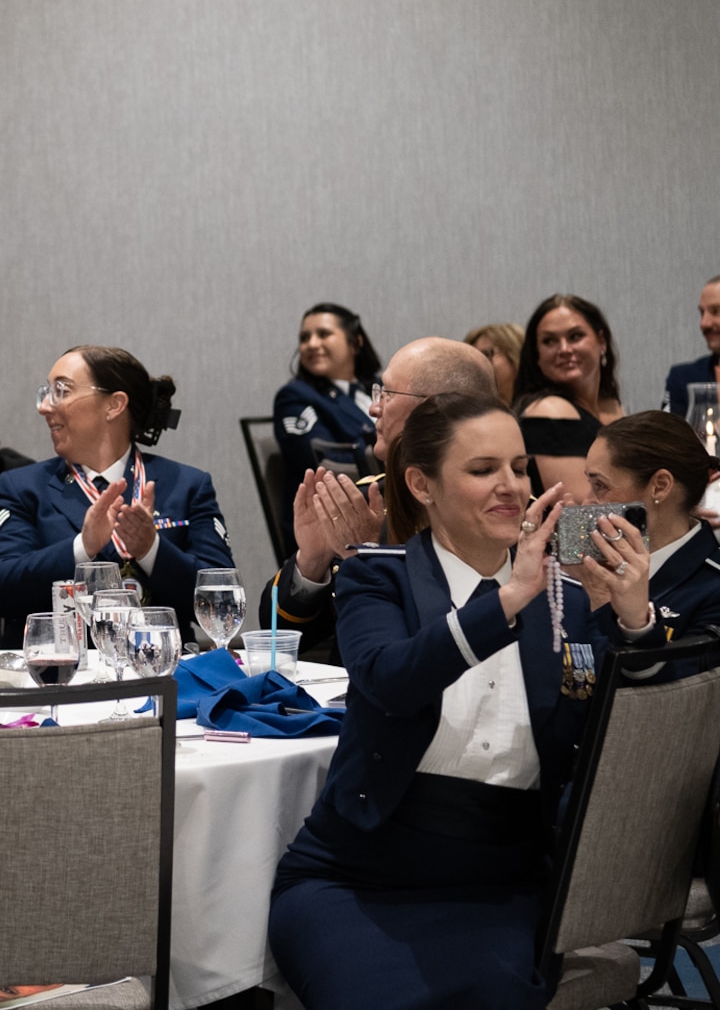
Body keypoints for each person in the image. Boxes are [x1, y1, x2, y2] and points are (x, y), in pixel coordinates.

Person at [267, 392, 660, 1010]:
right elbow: (390, 679)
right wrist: (505, 600)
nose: (511, 487)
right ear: (421, 484)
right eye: (482, 470)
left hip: (501, 884)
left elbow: (626, 749)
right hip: (356, 878)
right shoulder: (378, 575)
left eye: (520, 467)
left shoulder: (569, 601)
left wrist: (635, 622)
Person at [262, 338, 498, 662]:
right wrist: (312, 562)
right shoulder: (363, 499)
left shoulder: (508, 516)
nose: (374, 408)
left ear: (437, 407)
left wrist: (373, 558)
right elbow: (277, 637)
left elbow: (456, 641)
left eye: (387, 394)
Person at [0, 346, 234, 640]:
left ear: (114, 405)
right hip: (58, 675)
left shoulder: (187, 485)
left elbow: (222, 605)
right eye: (46, 392)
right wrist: (81, 547)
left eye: (61, 390)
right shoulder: (23, 486)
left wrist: (152, 550)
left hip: (160, 673)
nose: (45, 406)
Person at [582, 412, 720, 672]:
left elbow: (673, 702)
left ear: (660, 486)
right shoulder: (583, 569)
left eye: (600, 485)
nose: (586, 500)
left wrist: (602, 599)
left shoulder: (713, 587)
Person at [272, 303, 382, 531]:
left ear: (356, 342)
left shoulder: (378, 387)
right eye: (305, 337)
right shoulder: (296, 397)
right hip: (333, 526)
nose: (312, 344)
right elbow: (327, 465)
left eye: (324, 334)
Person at [514, 294, 625, 496]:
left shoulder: (612, 406)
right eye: (549, 341)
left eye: (575, 336)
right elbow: (582, 508)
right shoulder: (550, 410)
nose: (564, 349)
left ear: (602, 341)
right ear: (536, 355)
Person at [664, 275, 720, 416]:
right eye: (702, 312)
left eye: (715, 311)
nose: (704, 323)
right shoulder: (683, 378)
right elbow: (666, 436)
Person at [464, 322, 524, 408]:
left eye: (487, 354)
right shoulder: (467, 413)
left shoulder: (538, 409)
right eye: (472, 359)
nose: (478, 364)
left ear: (515, 355)